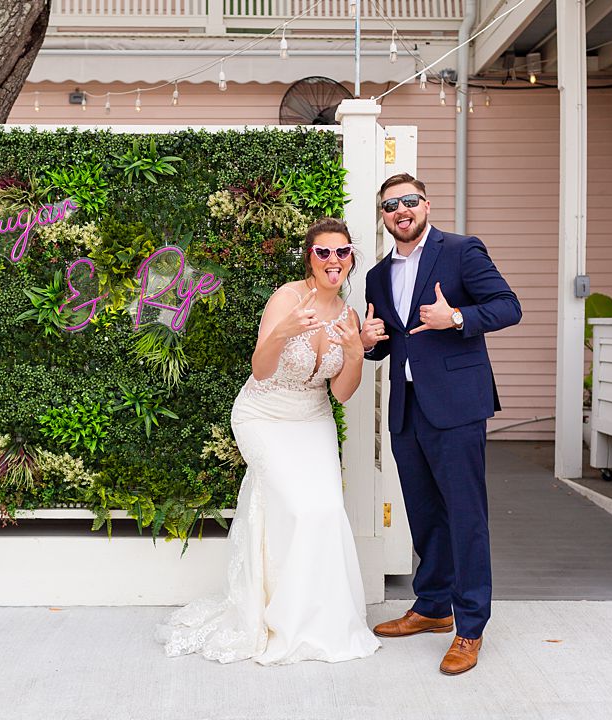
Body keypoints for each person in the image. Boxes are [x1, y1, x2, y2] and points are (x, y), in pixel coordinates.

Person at [158, 218, 381, 665]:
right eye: (323, 252)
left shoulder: (351, 316)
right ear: (309, 257)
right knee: (297, 507)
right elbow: (261, 368)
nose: (333, 261)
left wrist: (355, 352)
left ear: (351, 258)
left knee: (325, 510)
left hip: (313, 416)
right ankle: (272, 614)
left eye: (342, 252)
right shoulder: (287, 297)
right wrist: (286, 329)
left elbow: (340, 392)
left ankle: (319, 619)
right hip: (263, 414)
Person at [357, 173, 522, 676]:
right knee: (424, 514)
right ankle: (432, 607)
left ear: (425, 205)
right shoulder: (377, 275)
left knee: (466, 516)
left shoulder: (461, 250)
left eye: (409, 201)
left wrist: (456, 319)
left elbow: (508, 307)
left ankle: (469, 627)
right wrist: (368, 343)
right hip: (407, 407)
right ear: (384, 216)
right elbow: (390, 341)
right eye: (390, 205)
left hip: (456, 406)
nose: (400, 211)